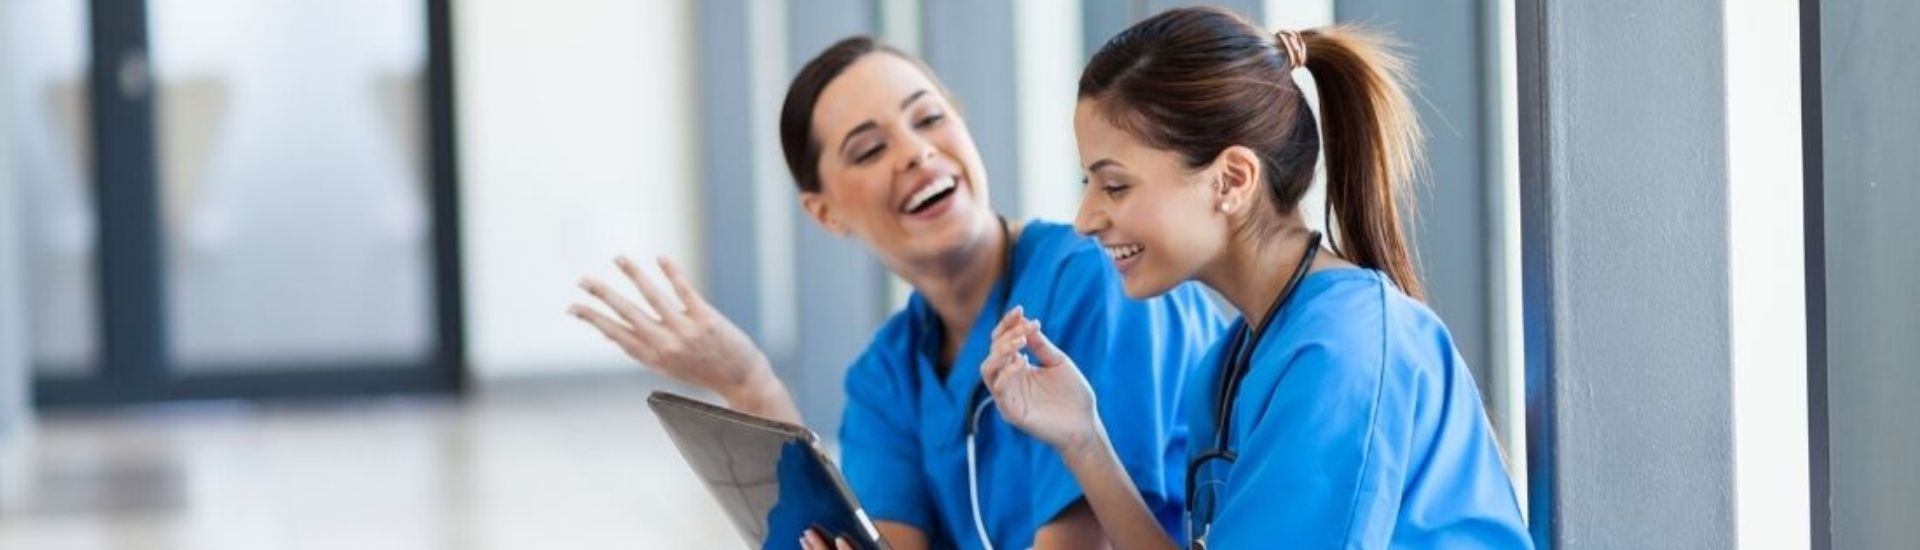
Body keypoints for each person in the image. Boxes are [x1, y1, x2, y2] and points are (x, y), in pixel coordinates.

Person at [568, 36, 1226, 550]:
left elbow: (1089, 545)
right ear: (825, 213)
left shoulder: (1092, 277)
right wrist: (749, 384)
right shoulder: (886, 374)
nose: (915, 153)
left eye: (930, 119)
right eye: (868, 149)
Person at [980, 7, 1531, 548]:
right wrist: (1085, 439)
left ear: (1231, 180)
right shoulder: (1225, 369)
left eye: (1115, 186)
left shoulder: (1341, 350)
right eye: (1088, 183)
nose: (1085, 219)